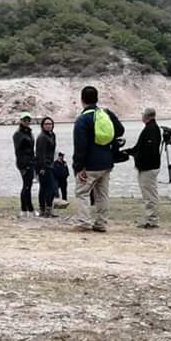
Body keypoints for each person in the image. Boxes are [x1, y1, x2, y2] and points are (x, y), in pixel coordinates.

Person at [72, 86, 125, 233]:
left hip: (90, 164)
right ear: (97, 98)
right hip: (107, 162)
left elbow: (80, 146)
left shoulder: (82, 120)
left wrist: (78, 166)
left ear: (82, 99)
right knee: (102, 194)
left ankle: (84, 222)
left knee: (82, 193)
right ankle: (101, 223)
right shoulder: (106, 114)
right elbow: (120, 130)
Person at [129, 107, 162, 228]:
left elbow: (148, 150)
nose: (141, 116)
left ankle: (152, 220)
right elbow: (139, 147)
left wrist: (136, 156)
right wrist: (129, 152)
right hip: (148, 167)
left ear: (147, 116)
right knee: (148, 194)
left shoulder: (151, 130)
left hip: (148, 168)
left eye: (142, 114)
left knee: (149, 195)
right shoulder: (151, 129)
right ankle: (150, 219)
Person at [13, 112, 35, 218]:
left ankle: (29, 209)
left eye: (28, 120)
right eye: (24, 120)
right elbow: (18, 151)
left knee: (28, 185)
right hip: (24, 164)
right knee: (26, 186)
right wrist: (22, 166)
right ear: (21, 121)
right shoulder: (18, 134)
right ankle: (24, 209)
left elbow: (31, 150)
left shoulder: (29, 133)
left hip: (30, 162)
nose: (26, 122)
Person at [36, 116, 58, 217]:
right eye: (46, 124)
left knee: (49, 188)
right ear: (42, 126)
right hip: (43, 166)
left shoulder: (52, 135)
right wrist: (42, 168)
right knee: (47, 188)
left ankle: (47, 209)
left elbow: (52, 151)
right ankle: (44, 209)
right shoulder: (42, 137)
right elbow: (40, 154)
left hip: (50, 164)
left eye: (50, 124)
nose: (49, 126)